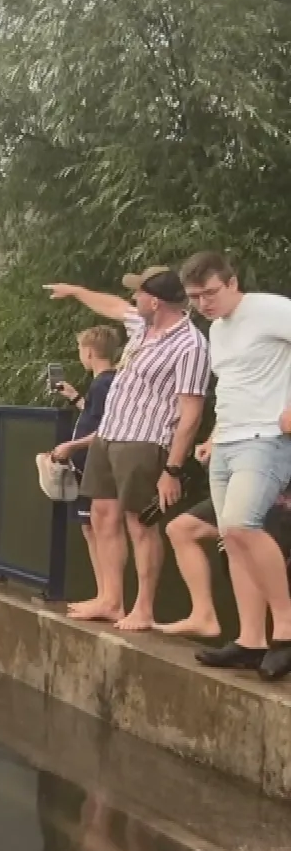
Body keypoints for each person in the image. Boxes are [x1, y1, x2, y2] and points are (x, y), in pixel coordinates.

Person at [44, 268, 209, 632]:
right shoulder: (143, 326)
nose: (134, 300)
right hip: (110, 434)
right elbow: (113, 306)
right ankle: (111, 599)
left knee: (140, 524)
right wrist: (76, 289)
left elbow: (191, 414)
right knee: (103, 514)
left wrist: (173, 469)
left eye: (140, 295)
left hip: (145, 441)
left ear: (155, 301)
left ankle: (144, 608)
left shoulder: (190, 345)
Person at [176, 252, 291, 676]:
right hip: (229, 440)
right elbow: (233, 385)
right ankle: (251, 640)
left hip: (268, 439)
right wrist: (213, 437)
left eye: (210, 293)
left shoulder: (269, 309)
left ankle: (286, 632)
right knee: (231, 537)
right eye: (195, 297)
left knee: (244, 526)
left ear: (232, 282)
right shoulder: (217, 330)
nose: (204, 303)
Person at [49, 324, 121, 627]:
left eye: (81, 350)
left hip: (93, 464)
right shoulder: (100, 385)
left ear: (89, 352)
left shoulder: (105, 383)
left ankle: (109, 596)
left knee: (98, 527)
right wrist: (77, 399)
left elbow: (109, 427)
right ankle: (102, 592)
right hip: (87, 464)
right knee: (89, 528)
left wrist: (71, 445)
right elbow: (95, 416)